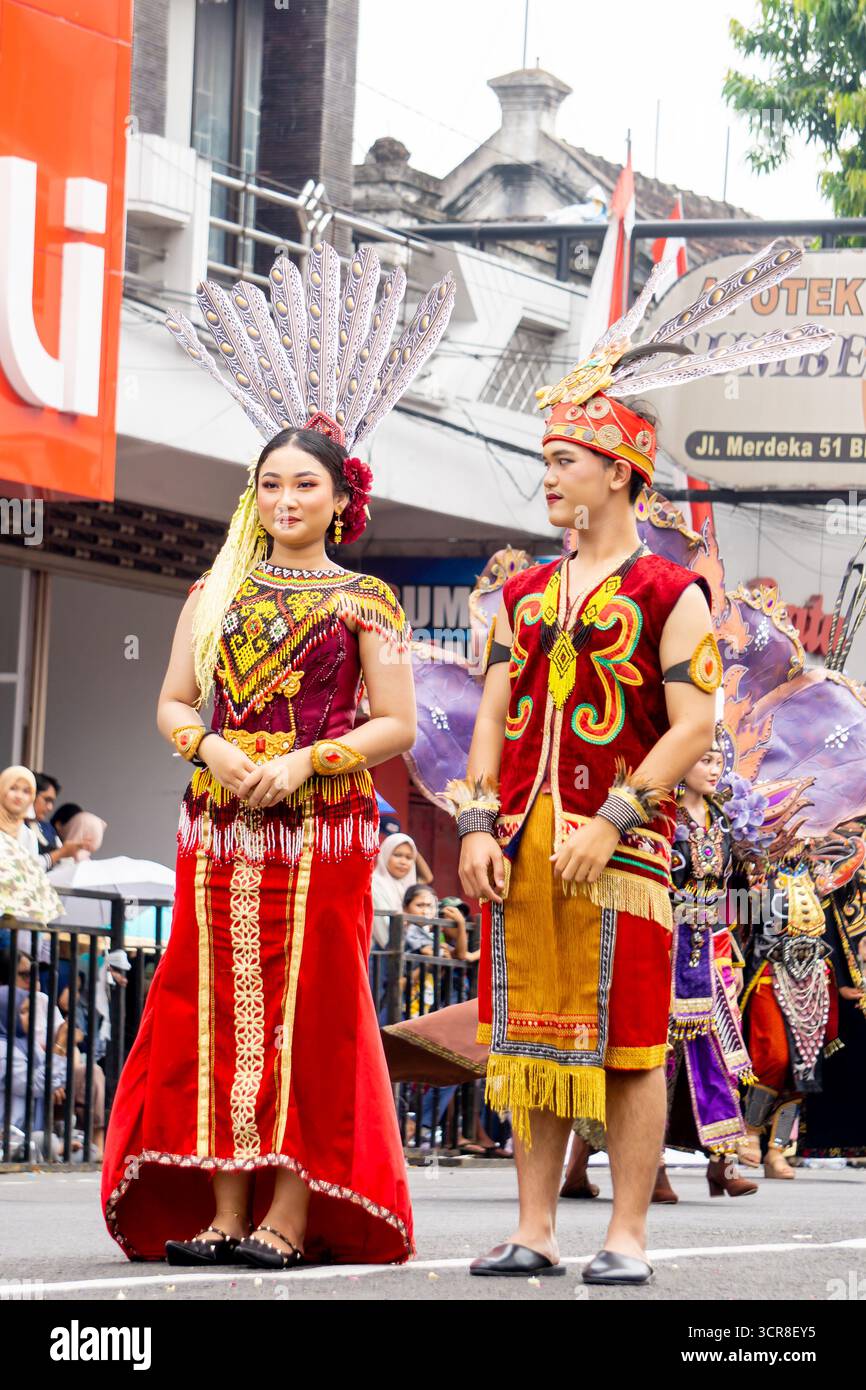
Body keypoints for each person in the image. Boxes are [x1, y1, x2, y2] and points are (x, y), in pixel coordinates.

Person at [449, 242, 827, 1284]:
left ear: (616, 470)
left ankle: (623, 1236)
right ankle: (531, 1229)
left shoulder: (673, 591)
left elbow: (694, 725)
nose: (547, 479)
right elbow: (491, 713)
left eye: (561, 461)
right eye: (543, 462)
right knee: (524, 1046)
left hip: (625, 847)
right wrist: (476, 820)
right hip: (522, 843)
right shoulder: (522, 595)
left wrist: (615, 815)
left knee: (624, 1044)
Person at [100, 240, 455, 1269]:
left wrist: (305, 763)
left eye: (304, 485)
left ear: (343, 498)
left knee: (310, 1010)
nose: (284, 500)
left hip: (321, 831)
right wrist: (210, 744)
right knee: (211, 1006)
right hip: (216, 824)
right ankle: (220, 1208)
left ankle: (289, 1216)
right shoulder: (212, 592)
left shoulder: (366, 601)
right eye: (268, 485)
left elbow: (394, 724)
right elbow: (170, 700)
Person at [655, 742, 757, 1201]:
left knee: (721, 1054)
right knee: (659, 1057)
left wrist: (753, 888)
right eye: (703, 759)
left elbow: (735, 900)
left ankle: (723, 1162)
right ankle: (649, 1166)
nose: (713, 769)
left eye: (718, 761)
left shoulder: (726, 826)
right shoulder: (660, 818)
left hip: (711, 953)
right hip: (664, 948)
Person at [0, 767, 65, 932]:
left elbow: (32, 873)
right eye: (13, 788)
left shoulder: (27, 834)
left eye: (26, 791)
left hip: (10, 917)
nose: (19, 796)